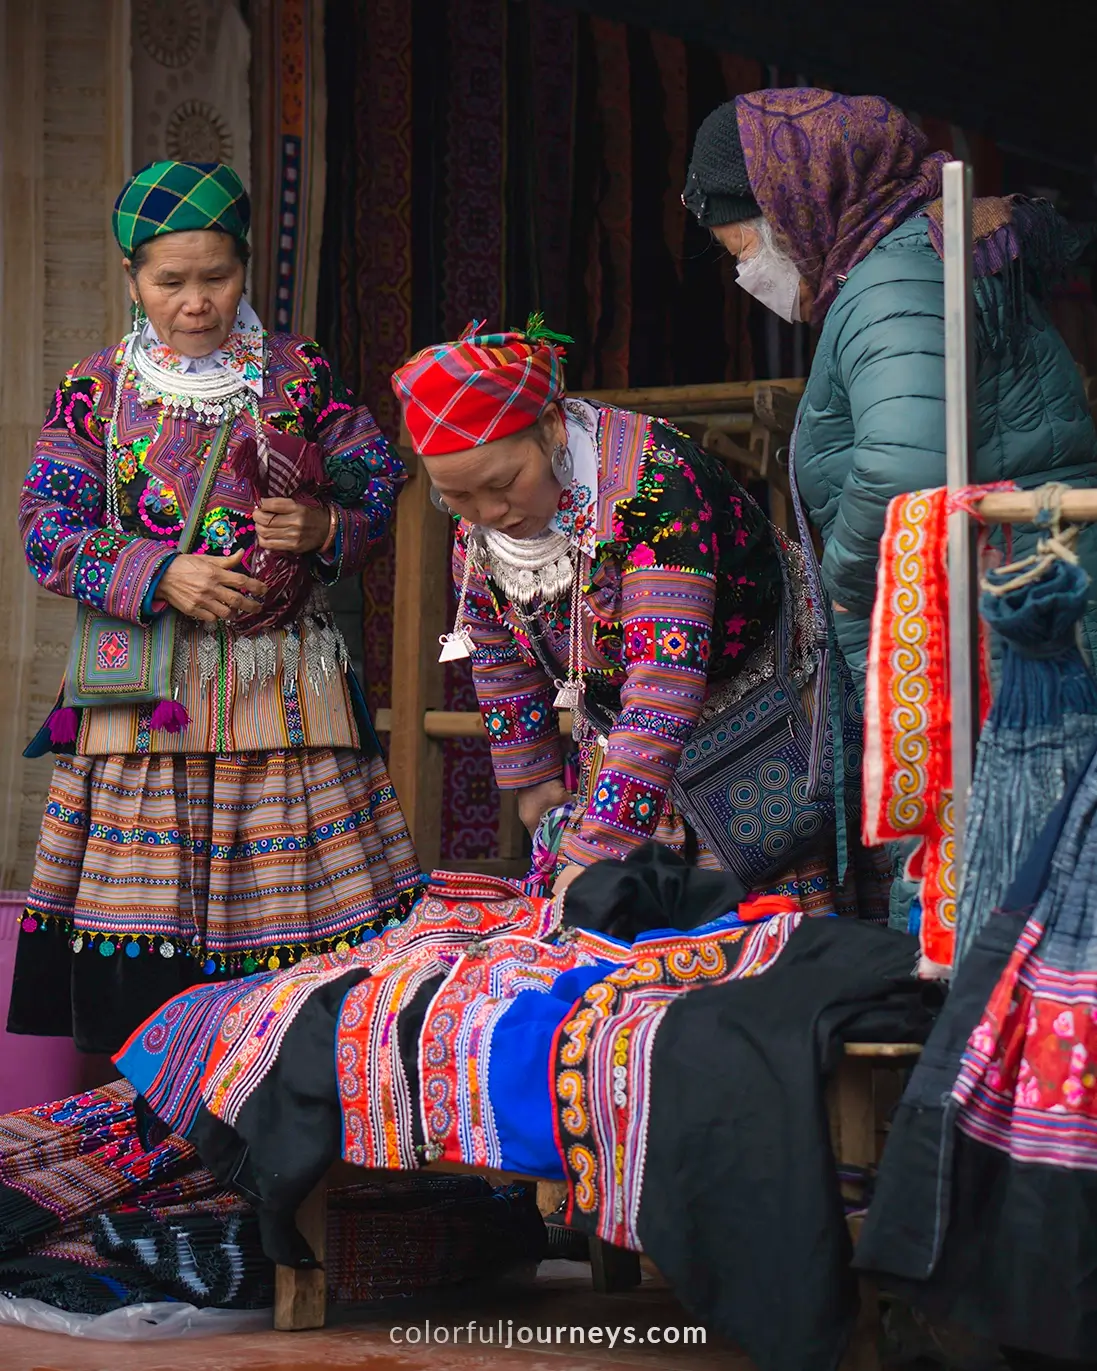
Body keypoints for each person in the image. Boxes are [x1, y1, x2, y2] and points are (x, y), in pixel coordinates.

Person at [9, 160, 422, 1055]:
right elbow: (45, 526)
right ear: (131, 278)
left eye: (217, 277)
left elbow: (378, 478)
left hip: (282, 698)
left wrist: (323, 524)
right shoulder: (96, 393)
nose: (195, 301)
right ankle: (158, 1148)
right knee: (144, 952)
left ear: (246, 271)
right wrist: (161, 573)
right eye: (169, 281)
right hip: (146, 705)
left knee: (299, 944)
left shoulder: (298, 374)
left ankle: (275, 1135)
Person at [390, 318, 890, 913]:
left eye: (503, 483)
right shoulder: (482, 528)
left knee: (757, 935)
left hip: (756, 713)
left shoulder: (652, 484)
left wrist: (596, 850)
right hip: (627, 734)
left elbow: (664, 684)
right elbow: (497, 650)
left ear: (550, 428)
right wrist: (534, 784)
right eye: (458, 497)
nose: (490, 511)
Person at [683, 87, 1097, 689]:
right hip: (1022, 600)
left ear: (792, 213)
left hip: (1016, 624)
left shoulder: (888, 284)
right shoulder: (907, 260)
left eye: (741, 249)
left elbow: (902, 467)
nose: (747, 274)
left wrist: (844, 585)